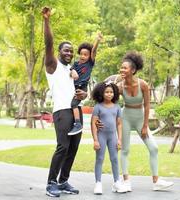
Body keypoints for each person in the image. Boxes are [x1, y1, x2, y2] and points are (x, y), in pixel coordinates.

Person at [42, 7, 87, 197]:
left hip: (76, 111)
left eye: (71, 51)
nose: (69, 53)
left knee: (74, 147)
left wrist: (83, 95)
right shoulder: (53, 65)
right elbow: (49, 44)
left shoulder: (71, 71)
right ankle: (51, 183)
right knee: (63, 146)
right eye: (65, 50)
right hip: (62, 112)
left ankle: (63, 181)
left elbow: (77, 92)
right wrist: (46, 20)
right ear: (59, 52)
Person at [118, 51, 174, 191]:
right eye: (121, 67)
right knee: (125, 150)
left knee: (153, 148)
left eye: (125, 68)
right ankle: (126, 181)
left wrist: (145, 125)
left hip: (140, 118)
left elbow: (148, 105)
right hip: (125, 117)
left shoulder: (143, 84)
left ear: (133, 70)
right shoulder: (119, 86)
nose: (122, 70)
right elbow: (107, 98)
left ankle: (156, 181)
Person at [91, 81, 127, 195]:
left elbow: (119, 124)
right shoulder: (98, 107)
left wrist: (120, 139)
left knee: (115, 159)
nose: (109, 94)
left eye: (111, 92)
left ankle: (117, 182)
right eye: (107, 92)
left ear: (115, 93)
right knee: (100, 159)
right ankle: (98, 183)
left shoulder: (117, 107)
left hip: (113, 137)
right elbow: (94, 124)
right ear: (101, 93)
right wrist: (95, 140)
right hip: (101, 136)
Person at [68, 33, 103, 135]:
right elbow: (70, 71)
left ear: (89, 56)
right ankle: (75, 122)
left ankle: (78, 124)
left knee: (73, 104)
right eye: (81, 54)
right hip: (72, 87)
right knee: (71, 104)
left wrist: (97, 40)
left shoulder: (89, 63)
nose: (83, 56)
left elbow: (94, 51)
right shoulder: (75, 64)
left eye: (86, 54)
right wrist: (72, 72)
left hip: (81, 88)